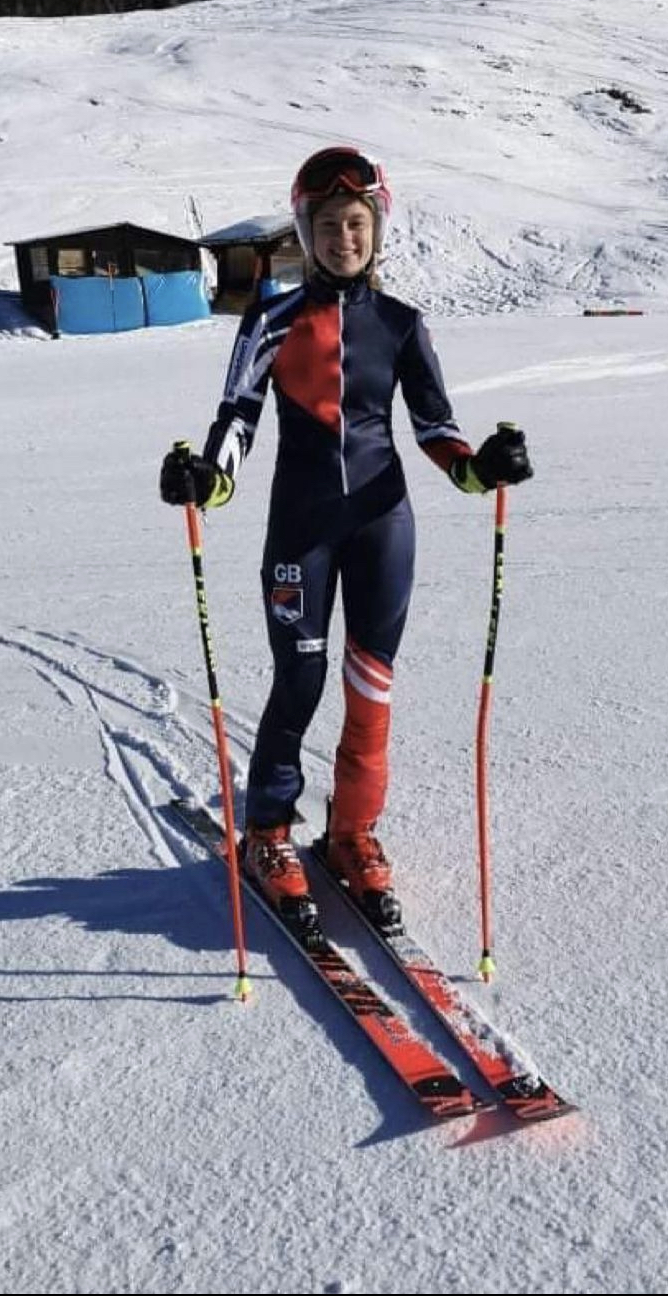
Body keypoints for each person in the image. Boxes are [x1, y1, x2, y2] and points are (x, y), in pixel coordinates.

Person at [160, 146, 532, 935]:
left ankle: (353, 832)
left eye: (357, 223)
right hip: (301, 528)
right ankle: (269, 831)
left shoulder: (400, 325)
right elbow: (237, 418)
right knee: (299, 680)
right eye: (328, 225)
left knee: (370, 687)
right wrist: (208, 480)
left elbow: (434, 428)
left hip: (381, 525)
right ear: (306, 232)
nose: (344, 238)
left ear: (377, 229)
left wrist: (483, 468)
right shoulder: (271, 320)